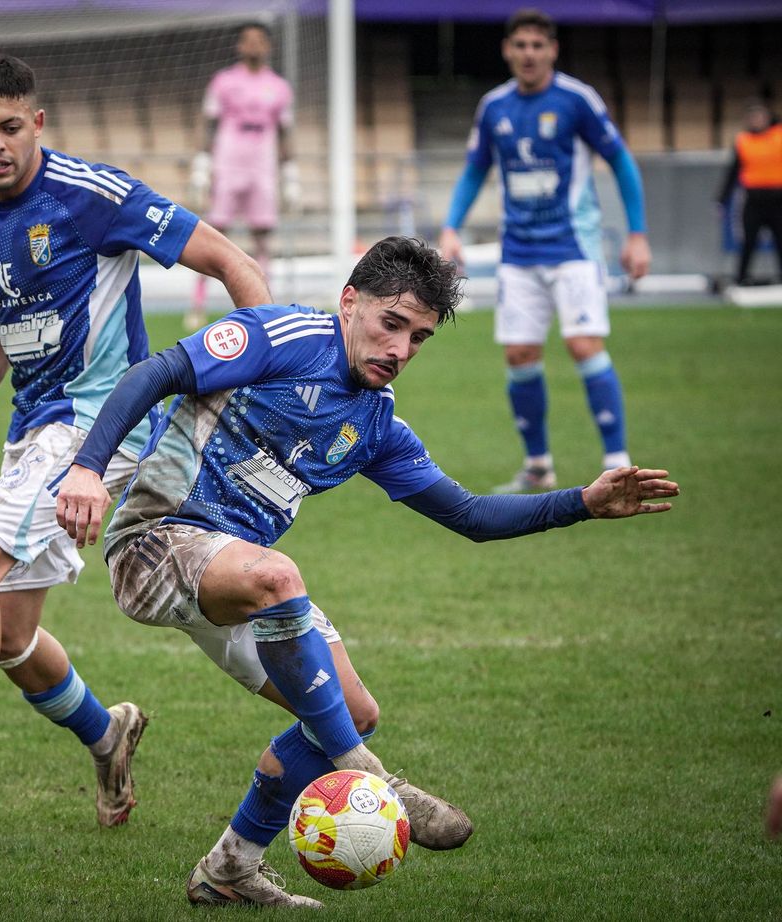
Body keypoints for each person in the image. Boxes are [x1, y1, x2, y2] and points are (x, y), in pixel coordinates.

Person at [55, 235, 678, 908]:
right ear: (350, 302)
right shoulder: (282, 336)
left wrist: (580, 503)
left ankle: (229, 868)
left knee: (353, 710)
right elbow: (156, 373)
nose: (401, 351)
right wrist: (87, 470)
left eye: (419, 339)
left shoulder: (376, 426)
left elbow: (468, 514)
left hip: (237, 576)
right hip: (156, 543)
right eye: (392, 325)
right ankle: (370, 775)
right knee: (282, 583)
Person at [0, 53, 272, 843]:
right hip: (34, 432)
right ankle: (106, 732)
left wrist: (256, 378)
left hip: (101, 423)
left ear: (37, 124)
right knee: (10, 636)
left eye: (11, 127)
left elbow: (233, 262)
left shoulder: (94, 196)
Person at [437, 7, 651, 494]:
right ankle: (538, 466)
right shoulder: (494, 107)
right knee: (520, 355)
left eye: (538, 45)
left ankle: (619, 462)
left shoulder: (577, 99)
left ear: (552, 50)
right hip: (518, 253)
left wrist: (637, 233)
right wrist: (451, 227)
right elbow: (475, 169)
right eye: (520, 45)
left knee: (583, 345)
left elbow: (620, 160)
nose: (528, 54)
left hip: (573, 246)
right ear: (507, 50)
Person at [185, 21, 295, 332]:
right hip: (228, 163)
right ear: (239, 45)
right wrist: (202, 164)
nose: (254, 46)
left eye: (260, 40)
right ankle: (198, 303)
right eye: (248, 40)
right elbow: (209, 124)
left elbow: (285, 130)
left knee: (262, 235)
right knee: (214, 233)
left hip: (262, 167)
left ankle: (266, 305)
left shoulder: (279, 87)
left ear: (269, 46)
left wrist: (290, 172)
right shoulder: (223, 82)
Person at [716, 99, 782, 286]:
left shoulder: (779, 136)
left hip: (778, 198)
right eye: (753, 118)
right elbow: (733, 172)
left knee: (780, 239)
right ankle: (742, 277)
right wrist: (721, 199)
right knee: (749, 241)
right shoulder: (744, 141)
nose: (756, 121)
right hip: (754, 198)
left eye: (760, 117)